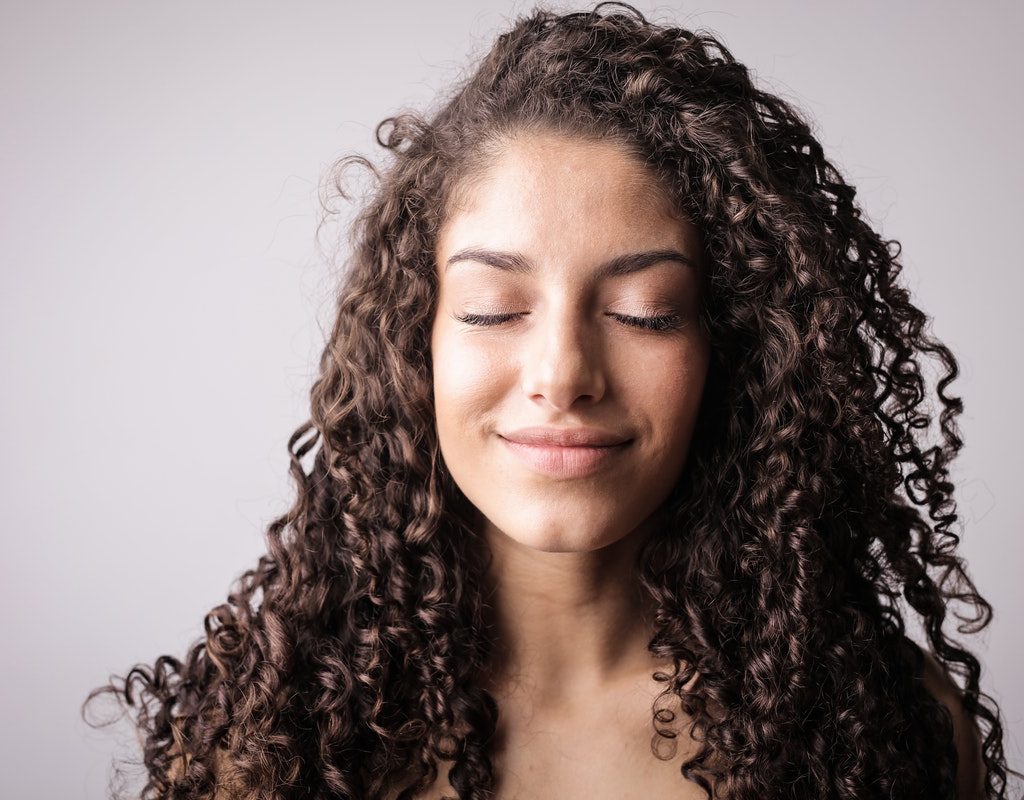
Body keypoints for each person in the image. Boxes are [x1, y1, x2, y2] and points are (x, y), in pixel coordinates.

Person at [83, 3, 1019, 799]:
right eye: (494, 309)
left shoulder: (885, 731)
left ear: (730, 351)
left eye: (643, 313)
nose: (562, 372)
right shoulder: (273, 734)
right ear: (415, 345)